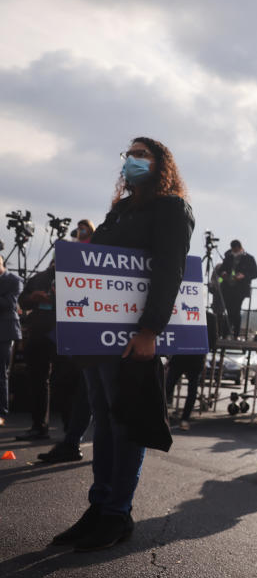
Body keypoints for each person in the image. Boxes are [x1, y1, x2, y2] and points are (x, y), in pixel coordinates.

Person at [50, 137, 194, 552]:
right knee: (103, 420)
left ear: (160, 163)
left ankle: (117, 513)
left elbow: (171, 270)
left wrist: (150, 330)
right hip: (98, 336)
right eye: (127, 155)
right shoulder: (119, 211)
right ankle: (99, 507)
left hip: (133, 337)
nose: (131, 161)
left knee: (125, 423)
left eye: (141, 155)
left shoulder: (171, 208)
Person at [15, 261, 56, 440]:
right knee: (38, 380)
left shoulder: (74, 275)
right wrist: (33, 297)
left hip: (65, 334)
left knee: (69, 381)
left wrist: (54, 299)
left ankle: (72, 433)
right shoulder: (38, 278)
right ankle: (39, 426)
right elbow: (22, 302)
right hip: (38, 333)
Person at [166, 311, 218, 431]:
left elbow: (212, 339)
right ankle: (183, 419)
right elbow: (213, 340)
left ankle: (181, 418)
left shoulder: (186, 313)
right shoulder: (208, 317)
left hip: (187, 356)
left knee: (171, 387)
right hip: (190, 356)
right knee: (186, 389)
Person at [218, 239, 257, 338]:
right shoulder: (228, 257)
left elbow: (255, 274)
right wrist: (223, 273)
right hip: (227, 288)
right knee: (229, 311)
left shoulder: (249, 258)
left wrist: (243, 275)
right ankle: (226, 334)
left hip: (240, 290)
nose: (234, 252)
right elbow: (221, 270)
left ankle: (233, 334)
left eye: (236, 250)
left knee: (235, 311)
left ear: (239, 248)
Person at [0, 255, 23, 428]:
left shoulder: (14, 280)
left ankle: (2, 412)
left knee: (1, 373)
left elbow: (9, 303)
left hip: (5, 332)